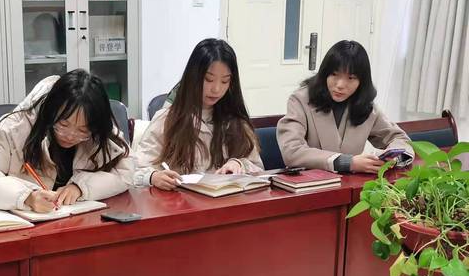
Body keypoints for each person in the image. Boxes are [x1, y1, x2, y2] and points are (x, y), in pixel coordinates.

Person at [0, 69, 132, 212]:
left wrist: (81, 187)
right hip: (10, 227)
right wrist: (26, 197)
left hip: (66, 225)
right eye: (63, 124)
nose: (70, 135)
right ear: (50, 112)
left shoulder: (99, 130)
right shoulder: (16, 128)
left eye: (82, 130)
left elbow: (126, 171)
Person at [134, 38, 263, 190]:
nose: (216, 89)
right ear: (193, 77)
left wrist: (240, 164)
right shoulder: (167, 119)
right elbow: (136, 169)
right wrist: (153, 177)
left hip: (227, 201)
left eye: (224, 81)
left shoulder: (236, 121)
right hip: (182, 201)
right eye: (208, 79)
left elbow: (259, 168)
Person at [277, 40, 413, 173]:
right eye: (334, 74)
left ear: (361, 81)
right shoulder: (300, 100)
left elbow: (399, 139)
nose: (340, 85)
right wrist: (347, 163)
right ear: (325, 74)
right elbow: (292, 151)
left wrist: (394, 158)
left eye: (351, 78)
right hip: (310, 183)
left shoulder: (366, 107)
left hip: (350, 183)